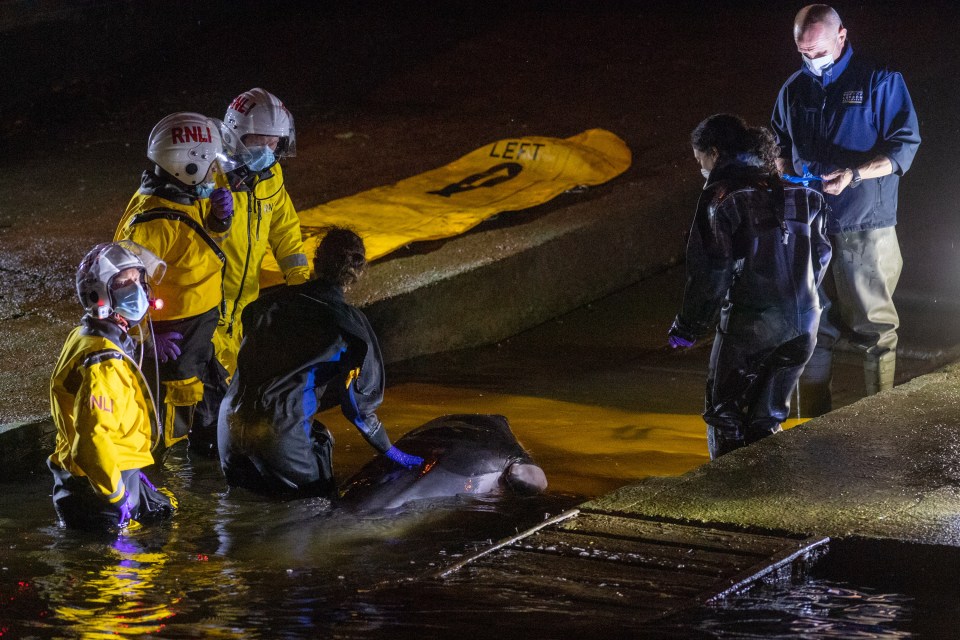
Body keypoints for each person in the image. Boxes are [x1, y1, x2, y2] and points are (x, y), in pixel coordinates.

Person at [771, 4, 921, 414]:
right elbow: (779, 145)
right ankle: (812, 422)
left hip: (864, 224)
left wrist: (854, 174)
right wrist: (781, 168)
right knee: (810, 325)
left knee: (875, 327)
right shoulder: (793, 89)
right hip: (809, 223)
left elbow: (904, 146)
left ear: (841, 37)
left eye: (817, 51)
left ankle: (879, 420)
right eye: (803, 52)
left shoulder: (880, 80)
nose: (811, 60)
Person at [668, 114, 831, 459]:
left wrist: (688, 326)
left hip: (750, 324)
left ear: (714, 153)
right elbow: (820, 257)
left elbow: (711, 269)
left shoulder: (722, 198)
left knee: (725, 414)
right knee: (768, 418)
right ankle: (769, 492)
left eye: (701, 162)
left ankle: (728, 499)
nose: (702, 170)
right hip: (804, 323)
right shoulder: (805, 195)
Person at [218, 227, 422, 497]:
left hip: (228, 428)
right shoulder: (350, 327)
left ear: (315, 262)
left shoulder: (265, 305)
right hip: (279, 438)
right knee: (320, 509)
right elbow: (359, 410)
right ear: (359, 272)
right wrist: (395, 454)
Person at [192, 88, 310, 455]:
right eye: (262, 142)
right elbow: (190, 240)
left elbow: (287, 234)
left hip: (241, 314)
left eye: (276, 144)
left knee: (230, 409)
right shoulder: (206, 176)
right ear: (235, 137)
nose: (269, 152)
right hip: (206, 311)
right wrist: (216, 217)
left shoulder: (270, 177)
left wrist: (305, 289)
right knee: (204, 413)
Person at [114, 112, 236, 454]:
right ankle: (171, 486)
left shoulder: (182, 198)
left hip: (196, 334)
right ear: (188, 167)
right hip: (174, 342)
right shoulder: (152, 225)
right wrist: (147, 338)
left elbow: (197, 250)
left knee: (209, 408)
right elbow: (117, 288)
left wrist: (218, 220)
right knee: (173, 424)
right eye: (210, 165)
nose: (215, 173)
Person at [48, 241, 177, 531]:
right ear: (100, 294)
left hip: (102, 478)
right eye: (124, 282)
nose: (138, 289)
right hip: (99, 491)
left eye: (138, 279)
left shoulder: (86, 336)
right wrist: (117, 496)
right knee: (119, 574)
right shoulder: (103, 361)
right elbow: (91, 442)